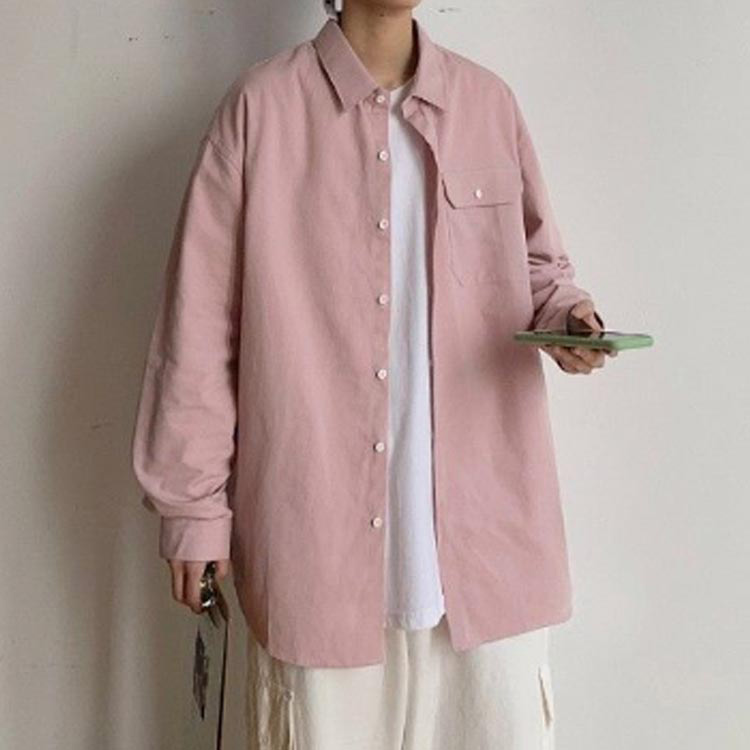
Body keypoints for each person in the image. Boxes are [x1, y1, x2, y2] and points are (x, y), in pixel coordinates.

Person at [130, 1, 617, 747]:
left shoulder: (489, 104)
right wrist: (193, 509)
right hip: (314, 548)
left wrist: (571, 321)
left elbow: (540, 268)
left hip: (488, 556)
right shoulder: (261, 110)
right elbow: (197, 327)